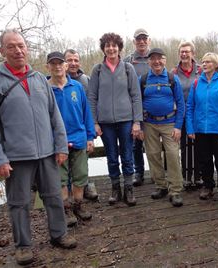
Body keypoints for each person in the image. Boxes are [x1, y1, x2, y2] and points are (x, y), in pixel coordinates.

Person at [0, 29, 76, 265]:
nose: (18, 50)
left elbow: (55, 117)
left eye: (21, 45)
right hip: (16, 156)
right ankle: (23, 246)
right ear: (2, 51)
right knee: (19, 203)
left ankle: (59, 234)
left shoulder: (38, 79)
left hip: (46, 153)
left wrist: (61, 146)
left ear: (27, 48)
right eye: (11, 46)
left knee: (53, 196)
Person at [87, 32, 143, 206]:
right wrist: (94, 122)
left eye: (114, 45)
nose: (111, 48)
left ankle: (129, 189)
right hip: (105, 122)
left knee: (127, 155)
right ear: (103, 49)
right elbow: (92, 98)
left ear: (119, 48)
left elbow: (136, 96)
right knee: (112, 156)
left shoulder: (128, 68)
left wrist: (136, 122)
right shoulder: (97, 70)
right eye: (107, 46)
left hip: (126, 120)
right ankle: (115, 189)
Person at [46, 51, 96, 227]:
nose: (57, 66)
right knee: (61, 179)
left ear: (65, 66)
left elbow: (86, 114)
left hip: (79, 138)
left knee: (81, 175)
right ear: (48, 67)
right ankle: (66, 209)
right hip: (57, 143)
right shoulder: (45, 90)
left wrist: (90, 136)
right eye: (53, 64)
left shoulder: (77, 87)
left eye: (60, 63)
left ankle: (78, 205)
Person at [186, 52, 218, 202]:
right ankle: (208, 186)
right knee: (204, 160)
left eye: (208, 62)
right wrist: (190, 128)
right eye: (203, 62)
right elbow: (190, 107)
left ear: (215, 64)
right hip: (201, 129)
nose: (204, 64)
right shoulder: (196, 83)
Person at [138, 48, 185, 207]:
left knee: (172, 155)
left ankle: (176, 190)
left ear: (164, 60)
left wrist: (178, 127)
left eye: (160, 58)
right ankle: (161, 186)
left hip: (169, 123)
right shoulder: (143, 79)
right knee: (152, 154)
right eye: (153, 59)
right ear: (149, 61)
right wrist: (139, 125)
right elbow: (137, 103)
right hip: (149, 123)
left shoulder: (173, 79)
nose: (156, 62)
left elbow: (181, 104)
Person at [64, 49, 99, 201]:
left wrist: (92, 129)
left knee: (82, 161)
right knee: (63, 165)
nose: (73, 63)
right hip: (63, 132)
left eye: (76, 60)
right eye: (69, 60)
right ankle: (68, 194)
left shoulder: (85, 80)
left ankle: (86, 185)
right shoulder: (52, 81)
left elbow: (91, 104)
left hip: (83, 128)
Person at [171, 41, 203, 189]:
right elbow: (170, 92)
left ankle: (198, 176)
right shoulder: (173, 73)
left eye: (187, 51)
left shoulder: (201, 71)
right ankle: (186, 177)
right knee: (184, 146)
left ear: (193, 54)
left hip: (199, 113)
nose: (184, 54)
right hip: (182, 114)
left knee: (198, 145)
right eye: (182, 52)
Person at [124, 28, 151, 187]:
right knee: (135, 143)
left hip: (150, 108)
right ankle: (138, 172)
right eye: (138, 39)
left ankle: (157, 172)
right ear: (134, 41)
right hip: (133, 107)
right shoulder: (128, 60)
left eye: (144, 38)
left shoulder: (154, 57)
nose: (141, 41)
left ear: (149, 40)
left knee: (153, 143)